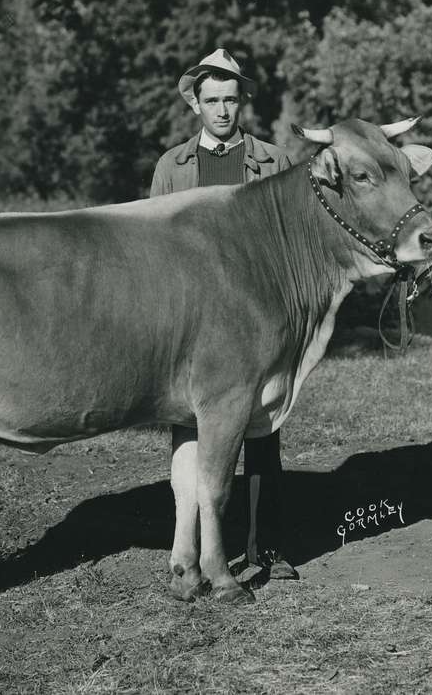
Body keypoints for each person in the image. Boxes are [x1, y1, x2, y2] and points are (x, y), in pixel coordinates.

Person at [150, 48, 297, 582]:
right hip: (190, 321)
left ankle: (265, 548)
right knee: (189, 426)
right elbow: (154, 248)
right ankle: (184, 545)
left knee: (260, 429)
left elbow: (290, 245)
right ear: (196, 103)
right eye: (212, 100)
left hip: (257, 317)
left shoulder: (274, 162)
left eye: (231, 99)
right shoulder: (172, 166)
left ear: (244, 102)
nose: (222, 110)